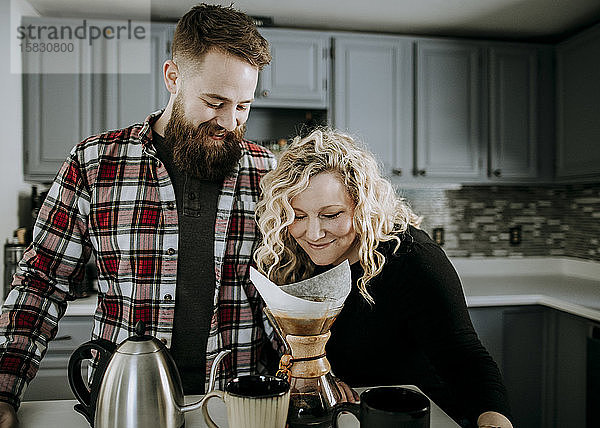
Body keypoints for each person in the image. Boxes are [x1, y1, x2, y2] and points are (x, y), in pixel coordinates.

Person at [0, 4, 279, 426]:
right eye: (215, 102)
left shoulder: (267, 173)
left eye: (243, 106)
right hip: (123, 405)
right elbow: (41, 281)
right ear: (172, 77)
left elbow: (287, 291)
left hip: (237, 405)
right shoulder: (95, 163)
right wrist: (3, 388)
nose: (230, 121)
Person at [254, 128, 514, 428]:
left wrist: (494, 423)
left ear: (361, 206)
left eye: (332, 214)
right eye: (298, 216)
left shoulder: (412, 258)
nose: (313, 234)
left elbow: (466, 359)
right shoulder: (295, 258)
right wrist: (326, 380)